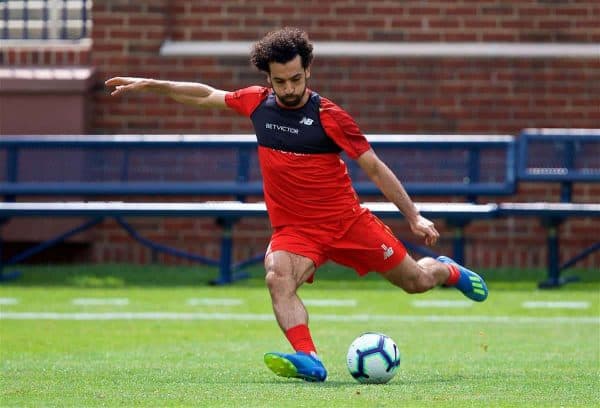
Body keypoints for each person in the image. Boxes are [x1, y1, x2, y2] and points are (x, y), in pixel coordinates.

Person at [105, 27, 488, 383]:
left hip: (348, 222)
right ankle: (309, 358)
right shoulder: (258, 104)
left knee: (416, 282)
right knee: (277, 275)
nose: (289, 89)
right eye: (280, 81)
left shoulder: (330, 117)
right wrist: (155, 85)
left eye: (296, 79)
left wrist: (414, 215)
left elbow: (374, 167)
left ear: (308, 70)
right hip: (297, 231)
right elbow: (206, 94)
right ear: (267, 78)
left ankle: (447, 272)